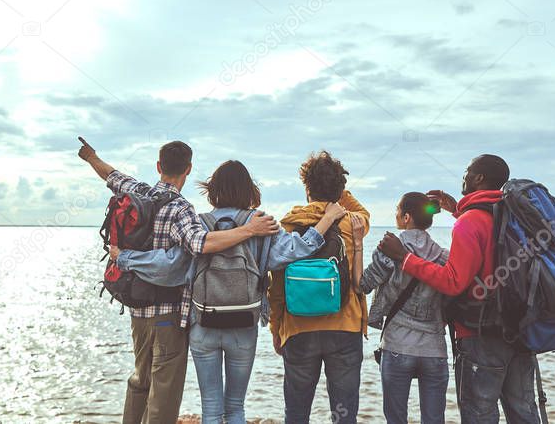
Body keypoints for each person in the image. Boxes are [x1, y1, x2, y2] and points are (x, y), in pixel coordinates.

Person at [113, 159, 349, 424]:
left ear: (212, 190)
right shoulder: (262, 225)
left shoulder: (198, 225)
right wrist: (327, 219)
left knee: (211, 408)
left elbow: (169, 266)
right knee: (235, 407)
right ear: (248, 190)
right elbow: (299, 249)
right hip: (243, 325)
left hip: (203, 325)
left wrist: (125, 257)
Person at [78, 140, 280, 424]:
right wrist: (249, 230)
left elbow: (111, 176)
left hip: (138, 312)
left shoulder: (138, 191)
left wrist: (91, 157)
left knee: (139, 381)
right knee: (164, 392)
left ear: (158, 166)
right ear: (188, 169)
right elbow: (200, 243)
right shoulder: (181, 209)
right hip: (168, 314)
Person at [377, 154, 541, 424]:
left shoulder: (469, 222)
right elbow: (492, 241)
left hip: (481, 333)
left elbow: (453, 282)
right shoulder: (513, 215)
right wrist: (458, 210)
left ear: (478, 178)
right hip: (521, 330)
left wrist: (404, 258)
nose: (463, 175)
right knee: (523, 411)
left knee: (480, 412)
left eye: (468, 170)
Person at [267, 150, 370, 424]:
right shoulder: (351, 221)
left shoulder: (288, 225)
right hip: (344, 327)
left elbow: (276, 286)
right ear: (340, 189)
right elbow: (363, 211)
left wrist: (276, 328)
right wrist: (338, 195)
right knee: (344, 412)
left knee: (297, 412)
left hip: (298, 327)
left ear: (306, 189)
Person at [359, 192, 449, 424]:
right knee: (434, 420)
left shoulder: (388, 249)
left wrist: (358, 243)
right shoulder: (443, 256)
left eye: (398, 211)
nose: (396, 215)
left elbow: (363, 285)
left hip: (398, 345)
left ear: (406, 217)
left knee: (396, 419)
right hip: (434, 349)